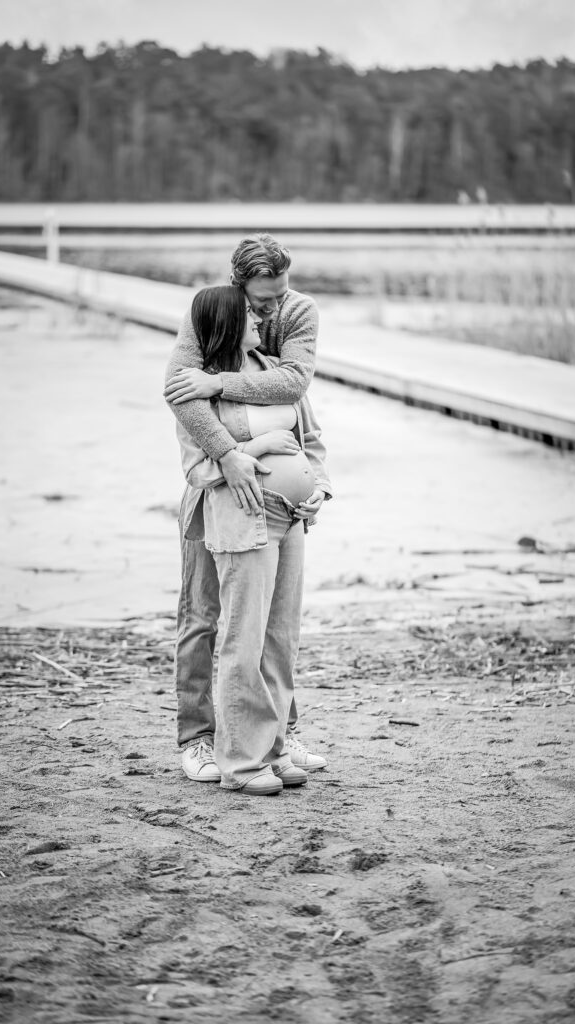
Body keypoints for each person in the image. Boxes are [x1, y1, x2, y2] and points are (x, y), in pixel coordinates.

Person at [164, 234, 328, 783]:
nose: (274, 311)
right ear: (238, 298)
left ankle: (275, 737)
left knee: (276, 633)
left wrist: (316, 485)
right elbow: (180, 394)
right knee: (208, 621)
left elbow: (299, 396)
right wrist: (236, 453)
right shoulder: (207, 319)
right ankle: (201, 739)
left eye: (280, 296)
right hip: (220, 507)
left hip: (285, 512)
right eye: (262, 304)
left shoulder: (294, 316)